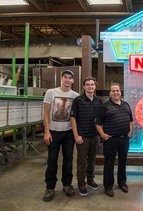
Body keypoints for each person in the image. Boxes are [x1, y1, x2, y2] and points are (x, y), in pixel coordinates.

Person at [42, 70, 79, 202]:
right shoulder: (51, 92)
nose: (67, 80)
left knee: (68, 160)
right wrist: (46, 131)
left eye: (70, 78)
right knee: (52, 160)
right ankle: (50, 187)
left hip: (68, 133)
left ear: (73, 81)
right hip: (53, 132)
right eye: (65, 77)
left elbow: (76, 115)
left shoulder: (76, 96)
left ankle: (67, 185)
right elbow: (46, 113)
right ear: (61, 78)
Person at [96, 83, 133, 197]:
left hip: (123, 139)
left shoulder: (126, 104)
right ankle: (108, 186)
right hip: (110, 139)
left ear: (120, 92)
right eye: (113, 91)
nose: (116, 93)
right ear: (110, 93)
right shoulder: (105, 106)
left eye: (117, 90)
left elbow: (130, 120)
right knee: (109, 163)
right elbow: (98, 123)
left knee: (123, 161)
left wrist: (130, 131)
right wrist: (102, 134)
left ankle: (122, 183)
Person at [70, 76, 102, 197]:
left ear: (95, 86)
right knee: (82, 162)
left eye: (92, 84)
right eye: (87, 84)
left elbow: (101, 119)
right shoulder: (78, 100)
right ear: (84, 86)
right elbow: (72, 118)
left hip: (95, 136)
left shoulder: (98, 101)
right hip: (82, 137)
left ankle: (90, 180)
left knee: (92, 161)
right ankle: (81, 184)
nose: (90, 87)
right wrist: (76, 135)